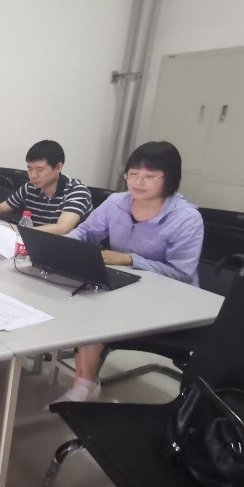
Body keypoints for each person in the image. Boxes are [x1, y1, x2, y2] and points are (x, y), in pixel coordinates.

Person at [53, 141, 204, 403]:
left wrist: (129, 259)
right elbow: (86, 231)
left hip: (169, 300)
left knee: (95, 308)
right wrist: (64, 246)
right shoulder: (116, 202)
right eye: (133, 174)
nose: (138, 182)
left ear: (170, 179)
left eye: (150, 176)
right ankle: (85, 383)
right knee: (82, 296)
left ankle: (84, 386)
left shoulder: (186, 218)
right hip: (126, 286)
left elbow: (182, 273)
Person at [0, 140, 91, 234]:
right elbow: (0, 208)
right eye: (30, 169)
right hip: (37, 244)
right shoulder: (30, 187)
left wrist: (20, 231)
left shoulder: (76, 190)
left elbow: (62, 228)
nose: (33, 175)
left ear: (58, 167)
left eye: (40, 170)